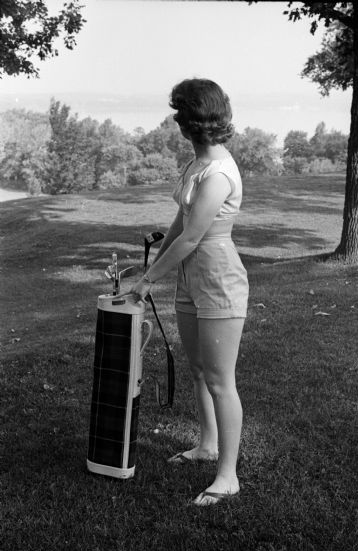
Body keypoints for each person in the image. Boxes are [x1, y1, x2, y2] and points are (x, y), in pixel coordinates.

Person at [116, 78, 249, 506]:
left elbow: (193, 237)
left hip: (218, 279)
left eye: (179, 113)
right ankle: (207, 445)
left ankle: (227, 475)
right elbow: (179, 223)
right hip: (191, 277)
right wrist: (151, 262)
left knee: (220, 379)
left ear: (195, 120)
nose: (175, 119)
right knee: (196, 370)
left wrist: (149, 281)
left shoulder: (218, 173)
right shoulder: (195, 164)